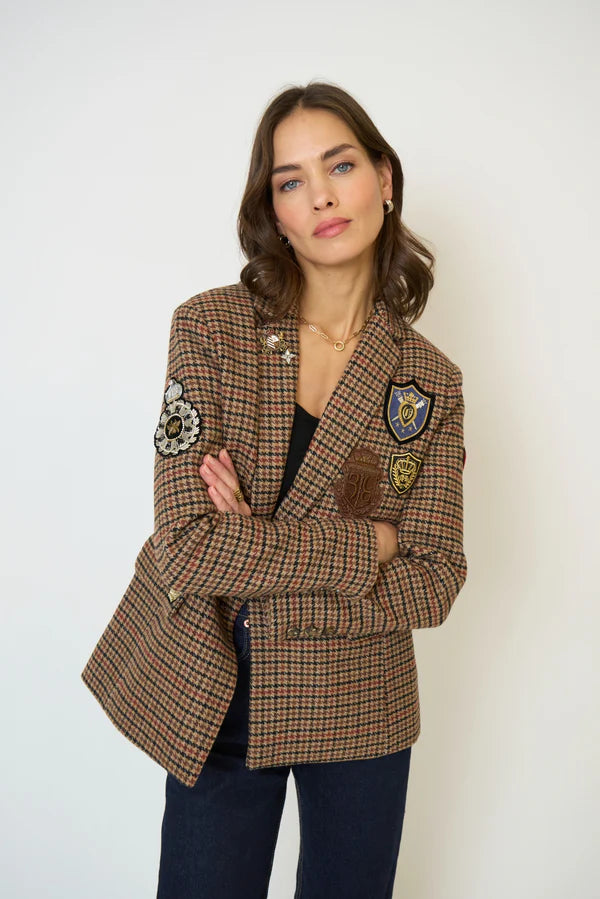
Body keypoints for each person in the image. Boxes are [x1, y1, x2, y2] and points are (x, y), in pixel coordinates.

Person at [81, 81, 467, 899]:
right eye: (291, 180)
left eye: (341, 164)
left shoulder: (430, 382)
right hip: (214, 687)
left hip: (361, 700)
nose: (321, 194)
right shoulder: (210, 330)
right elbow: (186, 543)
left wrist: (252, 547)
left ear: (385, 178)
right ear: (274, 210)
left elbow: (434, 578)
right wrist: (370, 544)